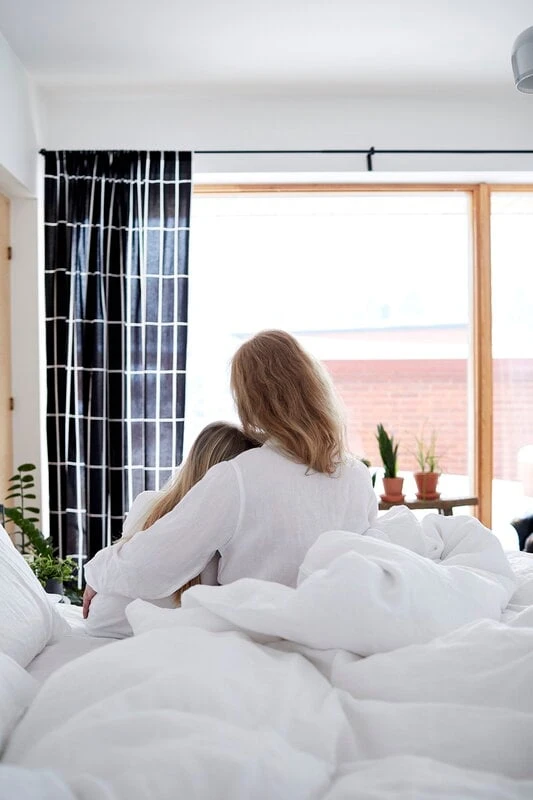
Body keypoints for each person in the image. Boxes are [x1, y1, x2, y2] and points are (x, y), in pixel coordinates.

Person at [83, 329, 378, 617]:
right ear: (315, 384)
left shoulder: (238, 477)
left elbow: (154, 562)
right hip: (332, 632)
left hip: (257, 635)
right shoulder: (356, 476)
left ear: (251, 402)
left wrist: (97, 573)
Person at [83, 421, 260, 635]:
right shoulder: (227, 532)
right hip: (132, 629)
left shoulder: (147, 503)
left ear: (193, 458)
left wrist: (96, 576)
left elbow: (127, 559)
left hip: (103, 623)